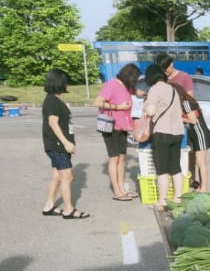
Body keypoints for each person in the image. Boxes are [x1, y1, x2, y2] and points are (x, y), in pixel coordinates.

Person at [41, 68, 89, 219]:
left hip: (58, 145)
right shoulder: (51, 100)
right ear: (59, 82)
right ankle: (69, 209)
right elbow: (53, 123)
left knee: (57, 176)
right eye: (65, 81)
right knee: (67, 177)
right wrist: (66, 143)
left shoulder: (55, 98)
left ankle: (49, 205)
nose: (67, 84)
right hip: (57, 145)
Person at [93, 63, 142, 200]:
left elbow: (137, 92)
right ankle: (117, 191)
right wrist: (118, 107)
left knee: (122, 158)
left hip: (123, 125)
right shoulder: (112, 84)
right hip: (111, 126)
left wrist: (150, 93)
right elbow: (97, 102)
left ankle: (122, 188)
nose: (135, 82)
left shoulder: (126, 86)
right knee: (114, 158)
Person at [143, 64, 185, 208]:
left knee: (162, 169)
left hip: (162, 132)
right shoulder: (173, 89)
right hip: (178, 132)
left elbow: (150, 111)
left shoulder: (154, 89)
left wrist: (146, 106)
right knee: (175, 167)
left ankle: (162, 201)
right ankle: (178, 198)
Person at [155, 52, 198, 187]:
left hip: (182, 120)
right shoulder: (161, 79)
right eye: (161, 69)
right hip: (164, 123)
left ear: (171, 64)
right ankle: (169, 183)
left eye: (165, 68)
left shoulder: (184, 77)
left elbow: (189, 99)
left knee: (185, 152)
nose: (164, 72)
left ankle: (190, 178)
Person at [174, 81, 210, 192]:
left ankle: (203, 188)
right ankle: (195, 183)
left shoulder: (186, 103)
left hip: (200, 133)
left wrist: (177, 118)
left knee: (200, 162)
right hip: (192, 134)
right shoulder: (182, 103)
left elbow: (193, 120)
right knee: (192, 160)